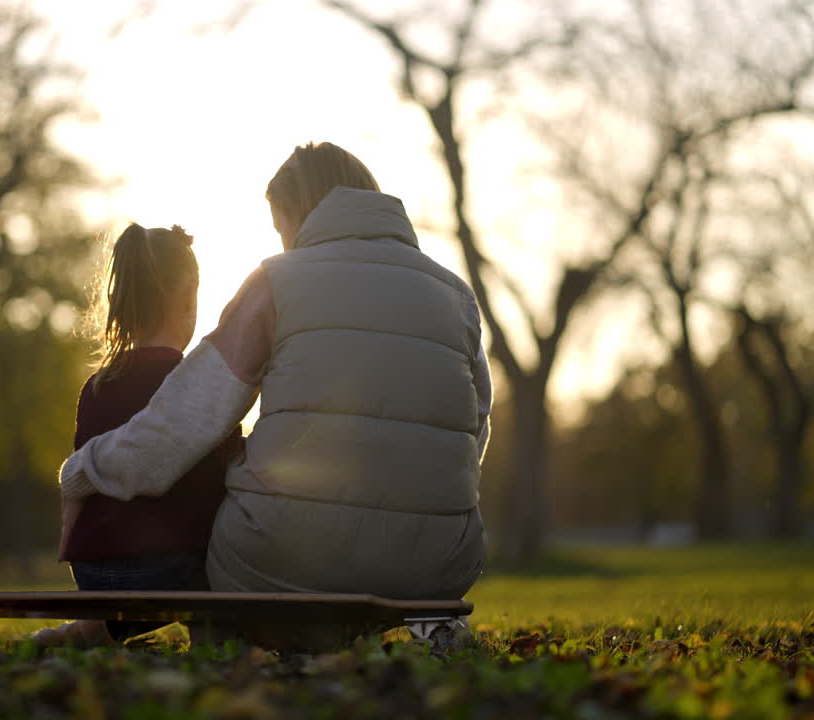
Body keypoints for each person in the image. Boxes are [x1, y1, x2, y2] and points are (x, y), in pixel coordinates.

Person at [60, 142, 491, 602]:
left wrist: (84, 468)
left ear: (298, 214)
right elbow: (473, 432)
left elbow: (183, 424)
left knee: (238, 501)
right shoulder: (456, 296)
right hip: (441, 564)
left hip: (290, 559)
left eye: (281, 228)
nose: (286, 244)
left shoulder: (276, 281)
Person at [36, 222, 241, 647]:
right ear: (189, 297)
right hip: (169, 571)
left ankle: (87, 630)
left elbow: (85, 483)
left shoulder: (96, 386)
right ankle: (214, 637)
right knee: (224, 535)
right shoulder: (196, 385)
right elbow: (231, 480)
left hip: (95, 574)